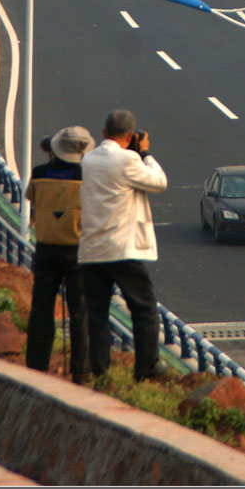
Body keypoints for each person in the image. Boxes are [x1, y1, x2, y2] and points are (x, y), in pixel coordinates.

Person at [78, 111, 168, 382]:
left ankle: (99, 370)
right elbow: (159, 182)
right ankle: (146, 367)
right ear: (130, 137)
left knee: (97, 313)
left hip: (91, 249)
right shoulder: (129, 159)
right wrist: (145, 154)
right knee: (144, 309)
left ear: (103, 133)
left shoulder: (87, 160)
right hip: (121, 249)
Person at [25, 125, 94, 383]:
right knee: (80, 310)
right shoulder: (86, 175)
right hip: (77, 248)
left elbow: (31, 196)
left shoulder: (40, 173)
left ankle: (36, 364)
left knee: (41, 308)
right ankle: (82, 370)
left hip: (45, 247)